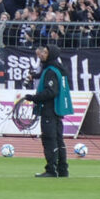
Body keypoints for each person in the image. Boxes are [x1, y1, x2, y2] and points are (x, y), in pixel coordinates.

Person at [20, 43, 72, 177]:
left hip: (49, 110)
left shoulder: (50, 71)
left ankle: (51, 169)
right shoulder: (57, 69)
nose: (42, 54)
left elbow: (51, 91)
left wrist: (34, 98)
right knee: (58, 140)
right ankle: (62, 169)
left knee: (50, 139)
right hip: (57, 110)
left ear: (51, 55)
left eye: (45, 52)